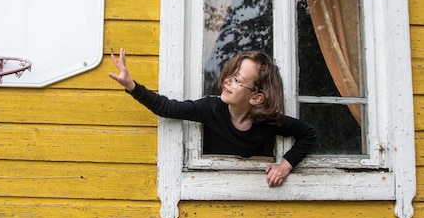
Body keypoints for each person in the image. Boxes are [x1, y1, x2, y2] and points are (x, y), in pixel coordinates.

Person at [108, 48, 317, 187]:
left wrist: (285, 165)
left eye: (237, 80)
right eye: (230, 74)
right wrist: (132, 86)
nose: (227, 81)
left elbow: (308, 133)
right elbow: (168, 108)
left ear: (256, 97)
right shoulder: (211, 108)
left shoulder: (267, 123)